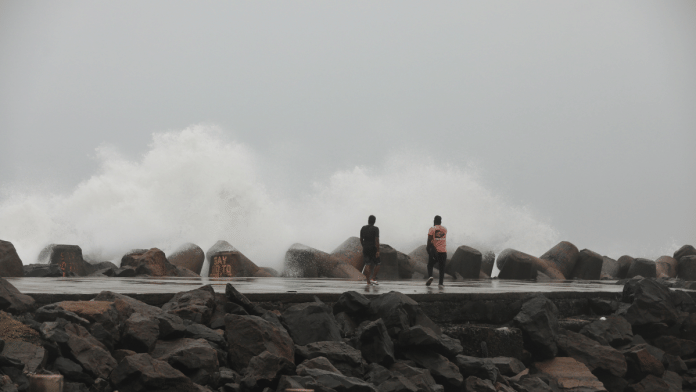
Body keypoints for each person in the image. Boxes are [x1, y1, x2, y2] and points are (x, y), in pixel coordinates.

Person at [426, 215, 447, 287]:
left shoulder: (432, 229)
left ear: (434, 221)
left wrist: (428, 248)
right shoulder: (445, 229)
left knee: (430, 265)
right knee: (442, 267)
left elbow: (429, 240)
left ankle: (430, 276)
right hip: (443, 251)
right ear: (441, 221)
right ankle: (441, 283)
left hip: (435, 252)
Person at [360, 215, 380, 285]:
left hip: (365, 248)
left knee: (367, 264)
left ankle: (368, 282)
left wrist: (363, 246)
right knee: (378, 263)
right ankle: (373, 278)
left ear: (368, 220)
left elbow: (361, 239)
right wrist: (377, 250)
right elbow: (376, 240)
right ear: (374, 221)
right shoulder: (376, 229)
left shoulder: (363, 228)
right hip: (373, 248)